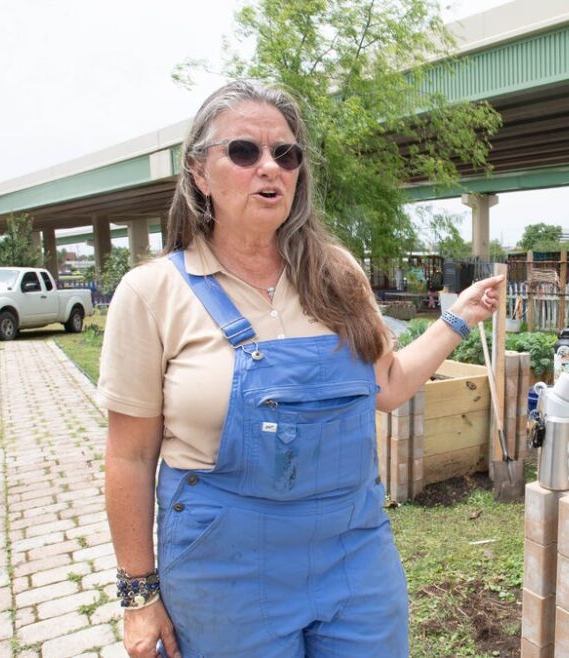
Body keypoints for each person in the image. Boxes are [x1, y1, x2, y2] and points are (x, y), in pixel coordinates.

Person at [99, 80, 503, 658]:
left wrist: (458, 319)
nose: (270, 167)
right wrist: (139, 596)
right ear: (198, 172)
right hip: (224, 570)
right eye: (244, 152)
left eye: (285, 154)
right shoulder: (151, 293)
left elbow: (386, 386)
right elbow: (130, 456)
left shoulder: (337, 274)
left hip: (354, 557)